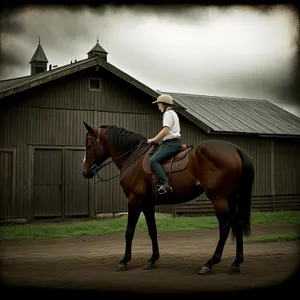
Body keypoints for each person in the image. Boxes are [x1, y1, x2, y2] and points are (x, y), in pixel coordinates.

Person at [147, 94, 182, 195]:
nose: (158, 107)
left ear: (164, 104)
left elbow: (165, 130)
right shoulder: (173, 113)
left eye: (159, 104)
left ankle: (165, 184)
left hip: (171, 144)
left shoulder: (167, 114)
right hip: (174, 142)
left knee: (153, 160)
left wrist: (153, 139)